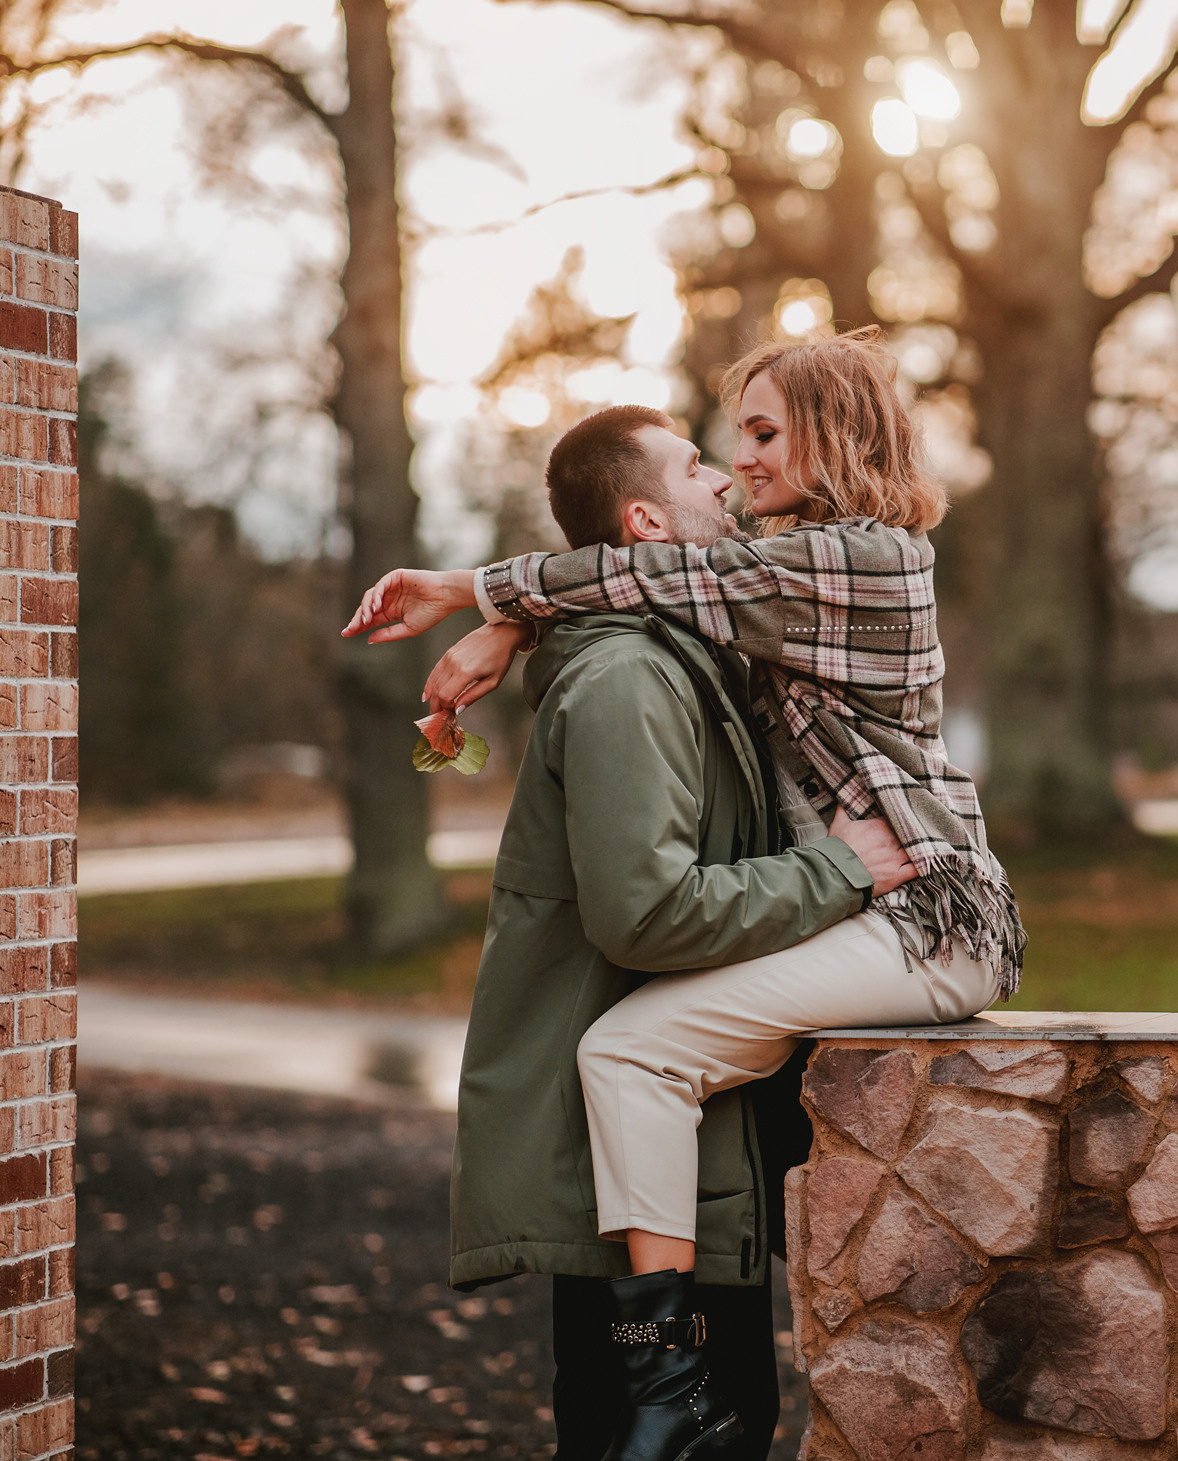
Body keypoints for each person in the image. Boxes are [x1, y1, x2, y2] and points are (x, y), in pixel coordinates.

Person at [345, 329, 1024, 1456]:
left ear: (833, 432)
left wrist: (478, 595)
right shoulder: (770, 571)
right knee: (636, 1054)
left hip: (926, 912)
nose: (740, 461)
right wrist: (513, 622)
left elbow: (656, 569)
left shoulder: (869, 559)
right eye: (728, 443)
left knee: (627, 1052)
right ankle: (668, 1378)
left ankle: (667, 1379)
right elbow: (647, 574)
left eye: (761, 434)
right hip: (881, 906)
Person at [429, 404, 914, 1461]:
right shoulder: (628, 682)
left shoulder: (688, 653)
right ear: (647, 520)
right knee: (649, 1435)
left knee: (727, 1425)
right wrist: (842, 867)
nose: (731, 482)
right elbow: (644, 913)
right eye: (701, 468)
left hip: (697, 1146)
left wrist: (509, 613)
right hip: (641, 1167)